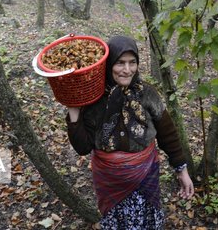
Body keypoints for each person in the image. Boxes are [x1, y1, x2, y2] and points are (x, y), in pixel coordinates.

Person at [66, 35, 194, 229]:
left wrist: (181, 170)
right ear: (108, 65)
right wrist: (73, 110)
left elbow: (168, 134)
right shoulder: (95, 102)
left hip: (145, 177)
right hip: (110, 183)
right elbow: (83, 147)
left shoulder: (147, 94)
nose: (127, 70)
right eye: (120, 63)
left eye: (132, 62)